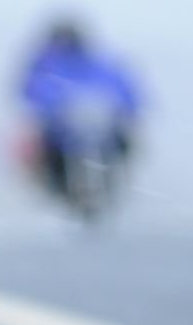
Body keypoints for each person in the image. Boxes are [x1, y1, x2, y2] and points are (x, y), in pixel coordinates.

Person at [17, 18, 142, 209]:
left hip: (98, 122)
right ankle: (58, 190)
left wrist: (127, 108)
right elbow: (33, 89)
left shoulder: (99, 62)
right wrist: (49, 107)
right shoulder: (46, 63)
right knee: (47, 151)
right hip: (61, 126)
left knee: (123, 144)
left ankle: (110, 186)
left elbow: (123, 87)